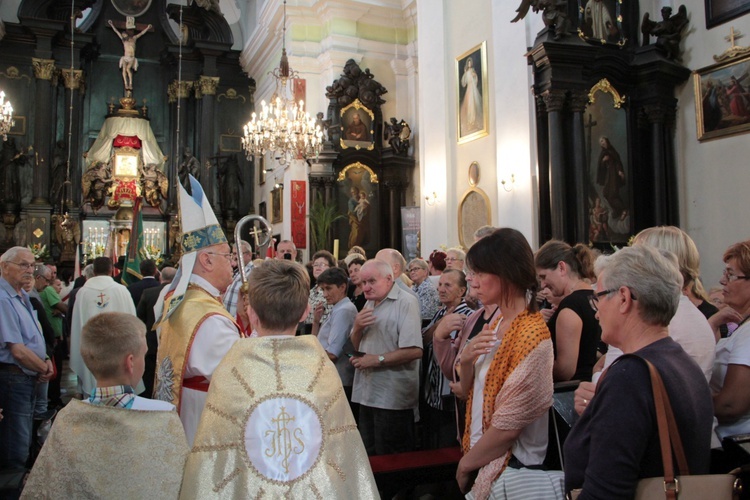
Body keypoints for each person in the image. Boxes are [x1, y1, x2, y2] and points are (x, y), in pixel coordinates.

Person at [181, 260, 378, 498]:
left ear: (251, 313)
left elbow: (216, 457)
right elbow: (340, 452)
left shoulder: (229, 371)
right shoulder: (321, 370)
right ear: (306, 310)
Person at [564, 245, 713, 498]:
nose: (596, 311)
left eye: (598, 297)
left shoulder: (630, 375)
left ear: (623, 298)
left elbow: (605, 492)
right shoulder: (679, 360)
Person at [22, 313, 188, 498]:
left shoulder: (66, 418)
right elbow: (178, 484)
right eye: (144, 354)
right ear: (130, 362)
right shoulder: (162, 417)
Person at [450, 229, 557, 499]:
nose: (472, 283)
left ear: (505, 273)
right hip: (483, 457)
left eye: (480, 273)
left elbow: (508, 428)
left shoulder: (531, 334)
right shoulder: (496, 322)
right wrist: (465, 361)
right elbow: (466, 392)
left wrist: (465, 465)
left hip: (510, 467)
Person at [154, 174, 242, 445]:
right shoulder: (210, 317)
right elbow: (238, 379)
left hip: (181, 409)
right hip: (204, 415)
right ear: (206, 260)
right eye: (227, 255)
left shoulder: (177, 300)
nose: (232, 263)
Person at [350, 259, 423, 455]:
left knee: (392, 460)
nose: (366, 287)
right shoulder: (369, 303)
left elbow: (415, 350)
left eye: (371, 281)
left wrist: (376, 360)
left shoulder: (406, 302)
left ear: (389, 279)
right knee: (370, 456)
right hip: (367, 392)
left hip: (392, 397)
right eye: (363, 283)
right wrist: (357, 328)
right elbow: (357, 345)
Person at [0, 247, 53, 470]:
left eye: (32, 265)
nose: (30, 270)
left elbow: (33, 334)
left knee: (24, 436)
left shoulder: (21, 294)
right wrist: (42, 367)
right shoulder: (3, 298)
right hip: (14, 378)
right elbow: (18, 350)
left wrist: (47, 358)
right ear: (4, 266)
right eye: (23, 265)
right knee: (16, 443)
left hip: (26, 376)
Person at [70, 257, 138, 397]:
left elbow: (77, 326)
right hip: (119, 351)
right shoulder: (122, 291)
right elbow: (133, 322)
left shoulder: (83, 293)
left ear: (93, 271)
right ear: (111, 270)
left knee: (92, 385)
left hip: (92, 351)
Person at [422, 269, 474, 448]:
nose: (441, 289)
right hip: (433, 393)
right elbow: (424, 339)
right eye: (440, 285)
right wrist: (438, 326)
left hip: (451, 396)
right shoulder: (440, 313)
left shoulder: (468, 316)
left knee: (448, 446)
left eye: (447, 285)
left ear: (461, 291)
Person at [535, 240, 601, 381]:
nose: (542, 284)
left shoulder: (571, 306)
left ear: (561, 268)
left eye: (543, 276)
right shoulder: (595, 298)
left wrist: (532, 360)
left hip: (570, 393)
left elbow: (565, 371)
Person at [711, 240, 750, 441]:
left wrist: (688, 403)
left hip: (736, 444)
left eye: (731, 275)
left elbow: (731, 405)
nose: (722, 280)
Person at [312, 267, 358, 407]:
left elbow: (333, 353)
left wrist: (309, 360)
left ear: (342, 287)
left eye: (328, 288)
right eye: (323, 289)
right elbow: (316, 341)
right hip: (333, 377)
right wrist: (316, 321)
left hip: (339, 379)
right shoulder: (337, 308)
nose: (325, 294)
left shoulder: (344, 310)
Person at [137, 266, 176, 398]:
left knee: (149, 378)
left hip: (151, 344)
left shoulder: (149, 293)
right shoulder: (180, 294)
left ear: (160, 277)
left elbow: (139, 318)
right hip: (171, 343)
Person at [107, 20, 152, 91]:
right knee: (124, 70)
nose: (123, 36)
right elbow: (116, 32)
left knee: (128, 69)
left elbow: (141, 33)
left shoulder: (134, 38)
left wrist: (147, 28)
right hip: (125, 57)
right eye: (123, 35)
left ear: (126, 34)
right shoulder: (124, 41)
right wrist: (112, 24)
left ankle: (130, 83)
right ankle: (126, 84)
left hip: (131, 58)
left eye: (124, 35)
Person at [595, 136, 628, 220]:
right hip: (608, 175)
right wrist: (603, 160)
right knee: (606, 193)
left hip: (614, 175)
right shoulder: (604, 152)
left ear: (606, 140)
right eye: (600, 142)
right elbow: (601, 167)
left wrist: (620, 171)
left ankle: (623, 209)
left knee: (613, 194)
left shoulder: (612, 151)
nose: (602, 143)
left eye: (602, 141)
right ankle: (617, 210)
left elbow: (617, 162)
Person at [222, 240, 254, 319]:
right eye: (234, 253)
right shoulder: (237, 272)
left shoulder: (254, 273)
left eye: (239, 253)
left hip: (240, 322)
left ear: (249, 255)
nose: (235, 257)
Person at [306, 250, 336, 333]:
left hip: (325, 331)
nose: (318, 267)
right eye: (315, 264)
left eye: (322, 264)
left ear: (331, 267)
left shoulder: (333, 290)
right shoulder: (310, 291)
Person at [408, 258, 441, 324]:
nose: (412, 272)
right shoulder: (415, 287)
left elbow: (424, 314)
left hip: (426, 325)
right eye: (411, 270)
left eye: (416, 269)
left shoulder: (427, 288)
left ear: (425, 271)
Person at [460, 56, 483, 136]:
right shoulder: (466, 72)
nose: (469, 64)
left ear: (471, 64)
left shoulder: (472, 71)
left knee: (473, 104)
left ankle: (473, 122)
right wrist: (465, 73)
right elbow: (464, 82)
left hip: (472, 88)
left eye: (470, 63)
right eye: (468, 63)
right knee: (468, 105)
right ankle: (469, 122)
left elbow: (475, 79)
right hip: (469, 89)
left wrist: (474, 76)